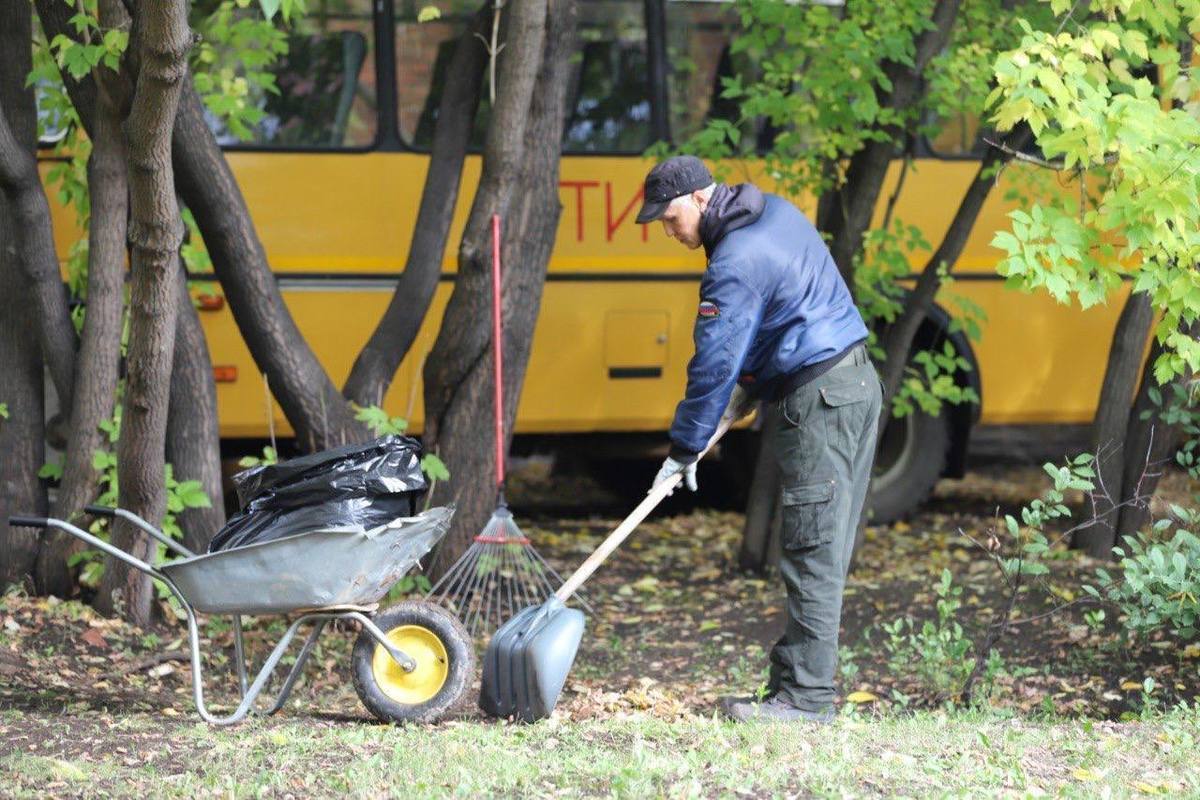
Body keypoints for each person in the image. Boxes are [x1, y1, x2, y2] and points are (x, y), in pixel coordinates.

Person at [640, 155, 882, 724]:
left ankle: (807, 700)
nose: (669, 233)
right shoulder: (771, 212)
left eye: (671, 218)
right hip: (852, 382)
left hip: (820, 400)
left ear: (701, 199)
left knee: (811, 548)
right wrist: (751, 387)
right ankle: (791, 687)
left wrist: (683, 448)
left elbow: (714, 362)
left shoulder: (734, 261)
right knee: (820, 543)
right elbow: (780, 317)